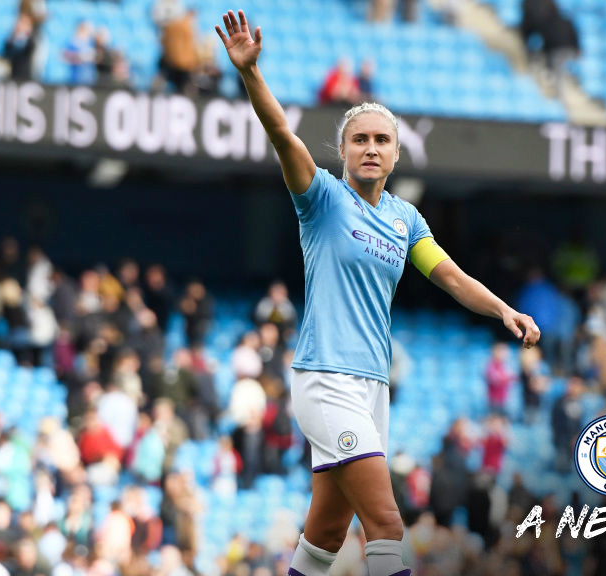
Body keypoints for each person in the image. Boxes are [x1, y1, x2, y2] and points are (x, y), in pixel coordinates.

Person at [215, 10, 540, 576]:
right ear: (343, 151)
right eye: (359, 139)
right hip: (326, 382)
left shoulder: (406, 219)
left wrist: (504, 310)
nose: (371, 147)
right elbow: (280, 134)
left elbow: (453, 278)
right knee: (387, 525)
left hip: (373, 388)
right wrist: (250, 74)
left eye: (381, 140)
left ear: (395, 154)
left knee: (325, 534)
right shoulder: (320, 200)